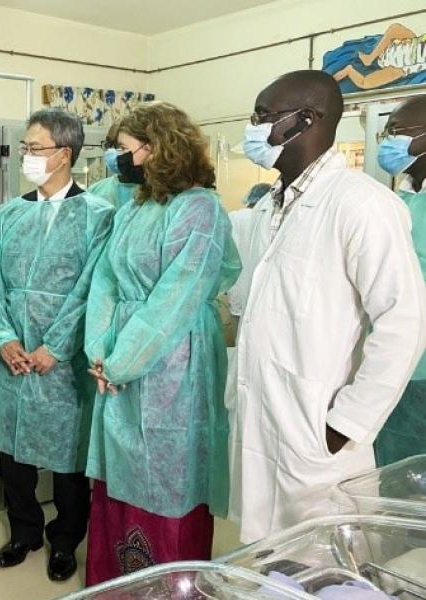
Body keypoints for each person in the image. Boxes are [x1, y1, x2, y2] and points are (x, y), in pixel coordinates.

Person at [232, 70, 425, 544]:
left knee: (327, 568)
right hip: (265, 419)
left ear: (309, 119)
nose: (254, 128)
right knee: (268, 559)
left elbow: (403, 323)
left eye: (265, 116)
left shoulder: (362, 205)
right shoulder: (269, 206)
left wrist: (347, 424)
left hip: (319, 430)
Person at [84, 102, 240, 585]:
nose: (118, 159)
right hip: (119, 357)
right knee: (121, 470)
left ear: (154, 150)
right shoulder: (137, 206)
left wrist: (122, 361)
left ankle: (169, 588)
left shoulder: (199, 208)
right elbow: (106, 281)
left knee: (169, 474)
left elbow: (176, 299)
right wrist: (100, 350)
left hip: (175, 359)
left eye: (125, 149)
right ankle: (117, 586)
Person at [0, 108, 114, 582]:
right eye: (24, 148)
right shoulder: (11, 214)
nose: (25, 157)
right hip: (12, 357)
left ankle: (65, 541)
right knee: (14, 454)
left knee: (67, 460)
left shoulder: (97, 217)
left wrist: (55, 347)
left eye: (33, 149)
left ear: (64, 154)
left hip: (63, 361)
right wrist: (3, 339)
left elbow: (91, 289)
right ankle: (23, 533)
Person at [373, 95, 426, 466]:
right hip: (392, 359)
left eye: (396, 131)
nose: (388, 141)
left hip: (421, 369)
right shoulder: (401, 196)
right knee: (393, 473)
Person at [226, 182, 271, 328]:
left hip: (236, 288)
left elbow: (224, 255)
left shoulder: (233, 218)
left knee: (239, 342)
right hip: (263, 294)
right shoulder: (270, 219)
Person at [88, 117, 144, 210]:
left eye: (121, 147)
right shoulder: (95, 192)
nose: (112, 151)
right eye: (108, 145)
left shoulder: (157, 195)